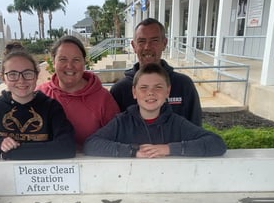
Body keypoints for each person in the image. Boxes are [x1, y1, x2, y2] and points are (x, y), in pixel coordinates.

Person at [83, 63, 226, 158]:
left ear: (167, 92)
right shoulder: (121, 122)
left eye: (158, 87)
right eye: (143, 88)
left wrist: (168, 149)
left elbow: (216, 143)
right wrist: (133, 151)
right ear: (134, 92)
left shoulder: (177, 123)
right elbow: (91, 144)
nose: (150, 93)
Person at [0, 49, 75, 160]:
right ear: (3, 78)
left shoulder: (51, 108)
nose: (21, 80)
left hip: (44, 175)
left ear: (36, 76)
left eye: (27, 73)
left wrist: (11, 154)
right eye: (13, 74)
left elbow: (67, 147)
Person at [110, 18, 202, 126]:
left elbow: (196, 131)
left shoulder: (184, 85)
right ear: (133, 46)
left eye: (154, 41)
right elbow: (113, 134)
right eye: (141, 41)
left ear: (164, 43)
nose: (147, 47)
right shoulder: (119, 90)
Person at [36, 35, 120, 150]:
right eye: (63, 59)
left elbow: (116, 140)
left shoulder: (103, 99)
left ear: (84, 62)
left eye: (76, 60)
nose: (69, 66)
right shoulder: (39, 95)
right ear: (53, 62)